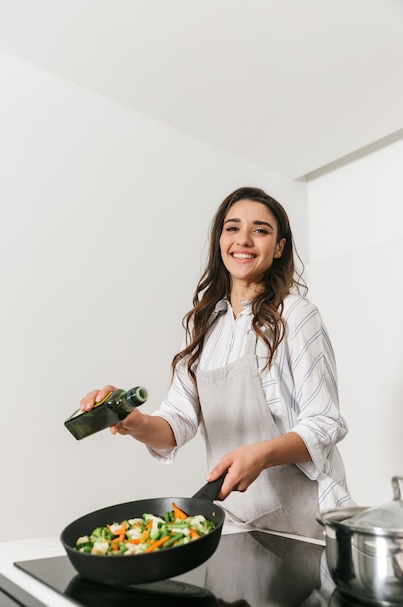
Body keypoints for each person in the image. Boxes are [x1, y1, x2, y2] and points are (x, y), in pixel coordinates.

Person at [80, 186, 354, 539]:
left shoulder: (297, 315)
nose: (244, 240)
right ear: (219, 239)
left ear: (280, 247)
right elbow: (177, 421)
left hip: (312, 522)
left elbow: (325, 423)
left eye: (260, 230)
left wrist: (260, 455)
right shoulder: (202, 326)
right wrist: (135, 421)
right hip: (241, 521)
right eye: (232, 228)